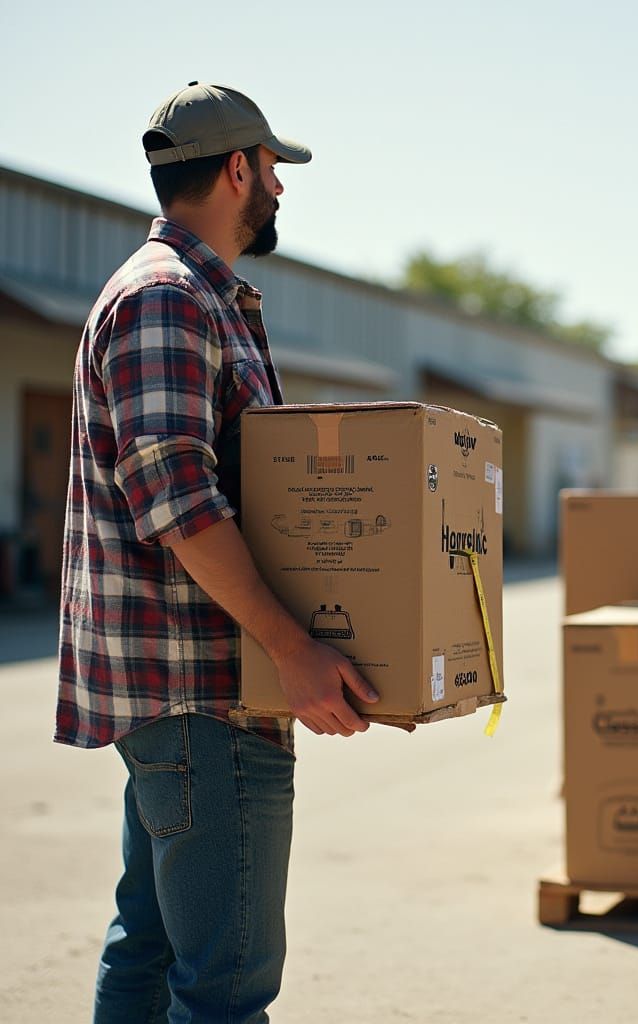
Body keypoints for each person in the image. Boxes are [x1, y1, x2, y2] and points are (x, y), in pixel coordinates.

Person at [56, 81, 378, 1023]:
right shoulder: (167, 300)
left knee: (152, 950)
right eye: (274, 168)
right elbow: (180, 501)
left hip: (188, 697)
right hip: (203, 695)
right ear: (238, 169)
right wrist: (294, 649)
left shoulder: (205, 298)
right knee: (225, 987)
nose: (281, 188)